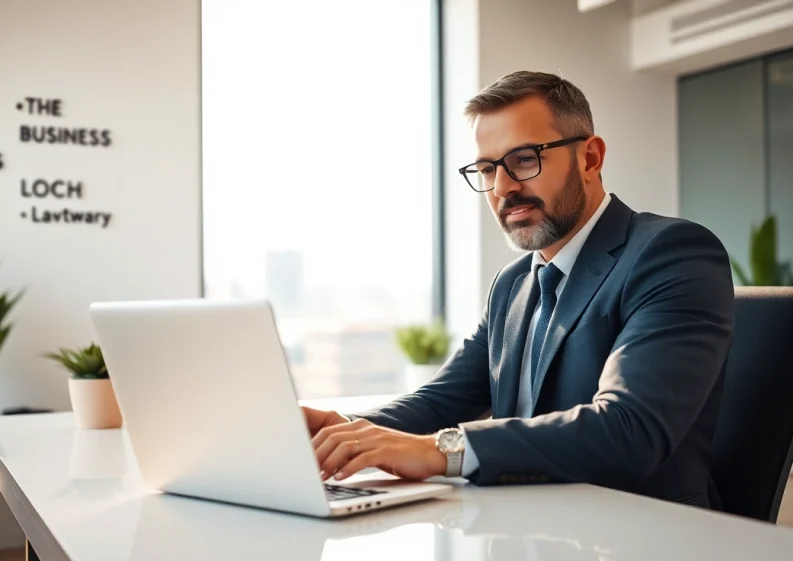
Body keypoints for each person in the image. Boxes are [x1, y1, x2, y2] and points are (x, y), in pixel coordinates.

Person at [303, 70, 735, 509]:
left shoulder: (670, 253)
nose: (504, 188)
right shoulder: (513, 283)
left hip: (646, 544)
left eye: (525, 159)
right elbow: (442, 401)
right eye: (488, 169)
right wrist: (343, 431)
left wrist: (442, 451)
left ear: (590, 158)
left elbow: (629, 429)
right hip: (527, 533)